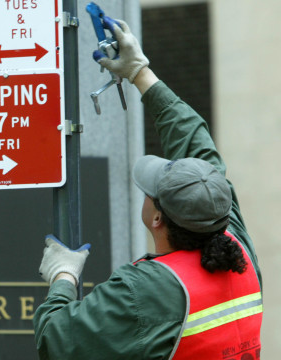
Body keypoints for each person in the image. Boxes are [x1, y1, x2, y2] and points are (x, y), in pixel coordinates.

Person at [34, 20, 263, 359]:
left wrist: (63, 275)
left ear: (157, 217)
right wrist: (141, 73)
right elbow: (195, 143)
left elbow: (56, 339)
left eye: (150, 191)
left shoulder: (147, 291)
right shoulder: (233, 242)